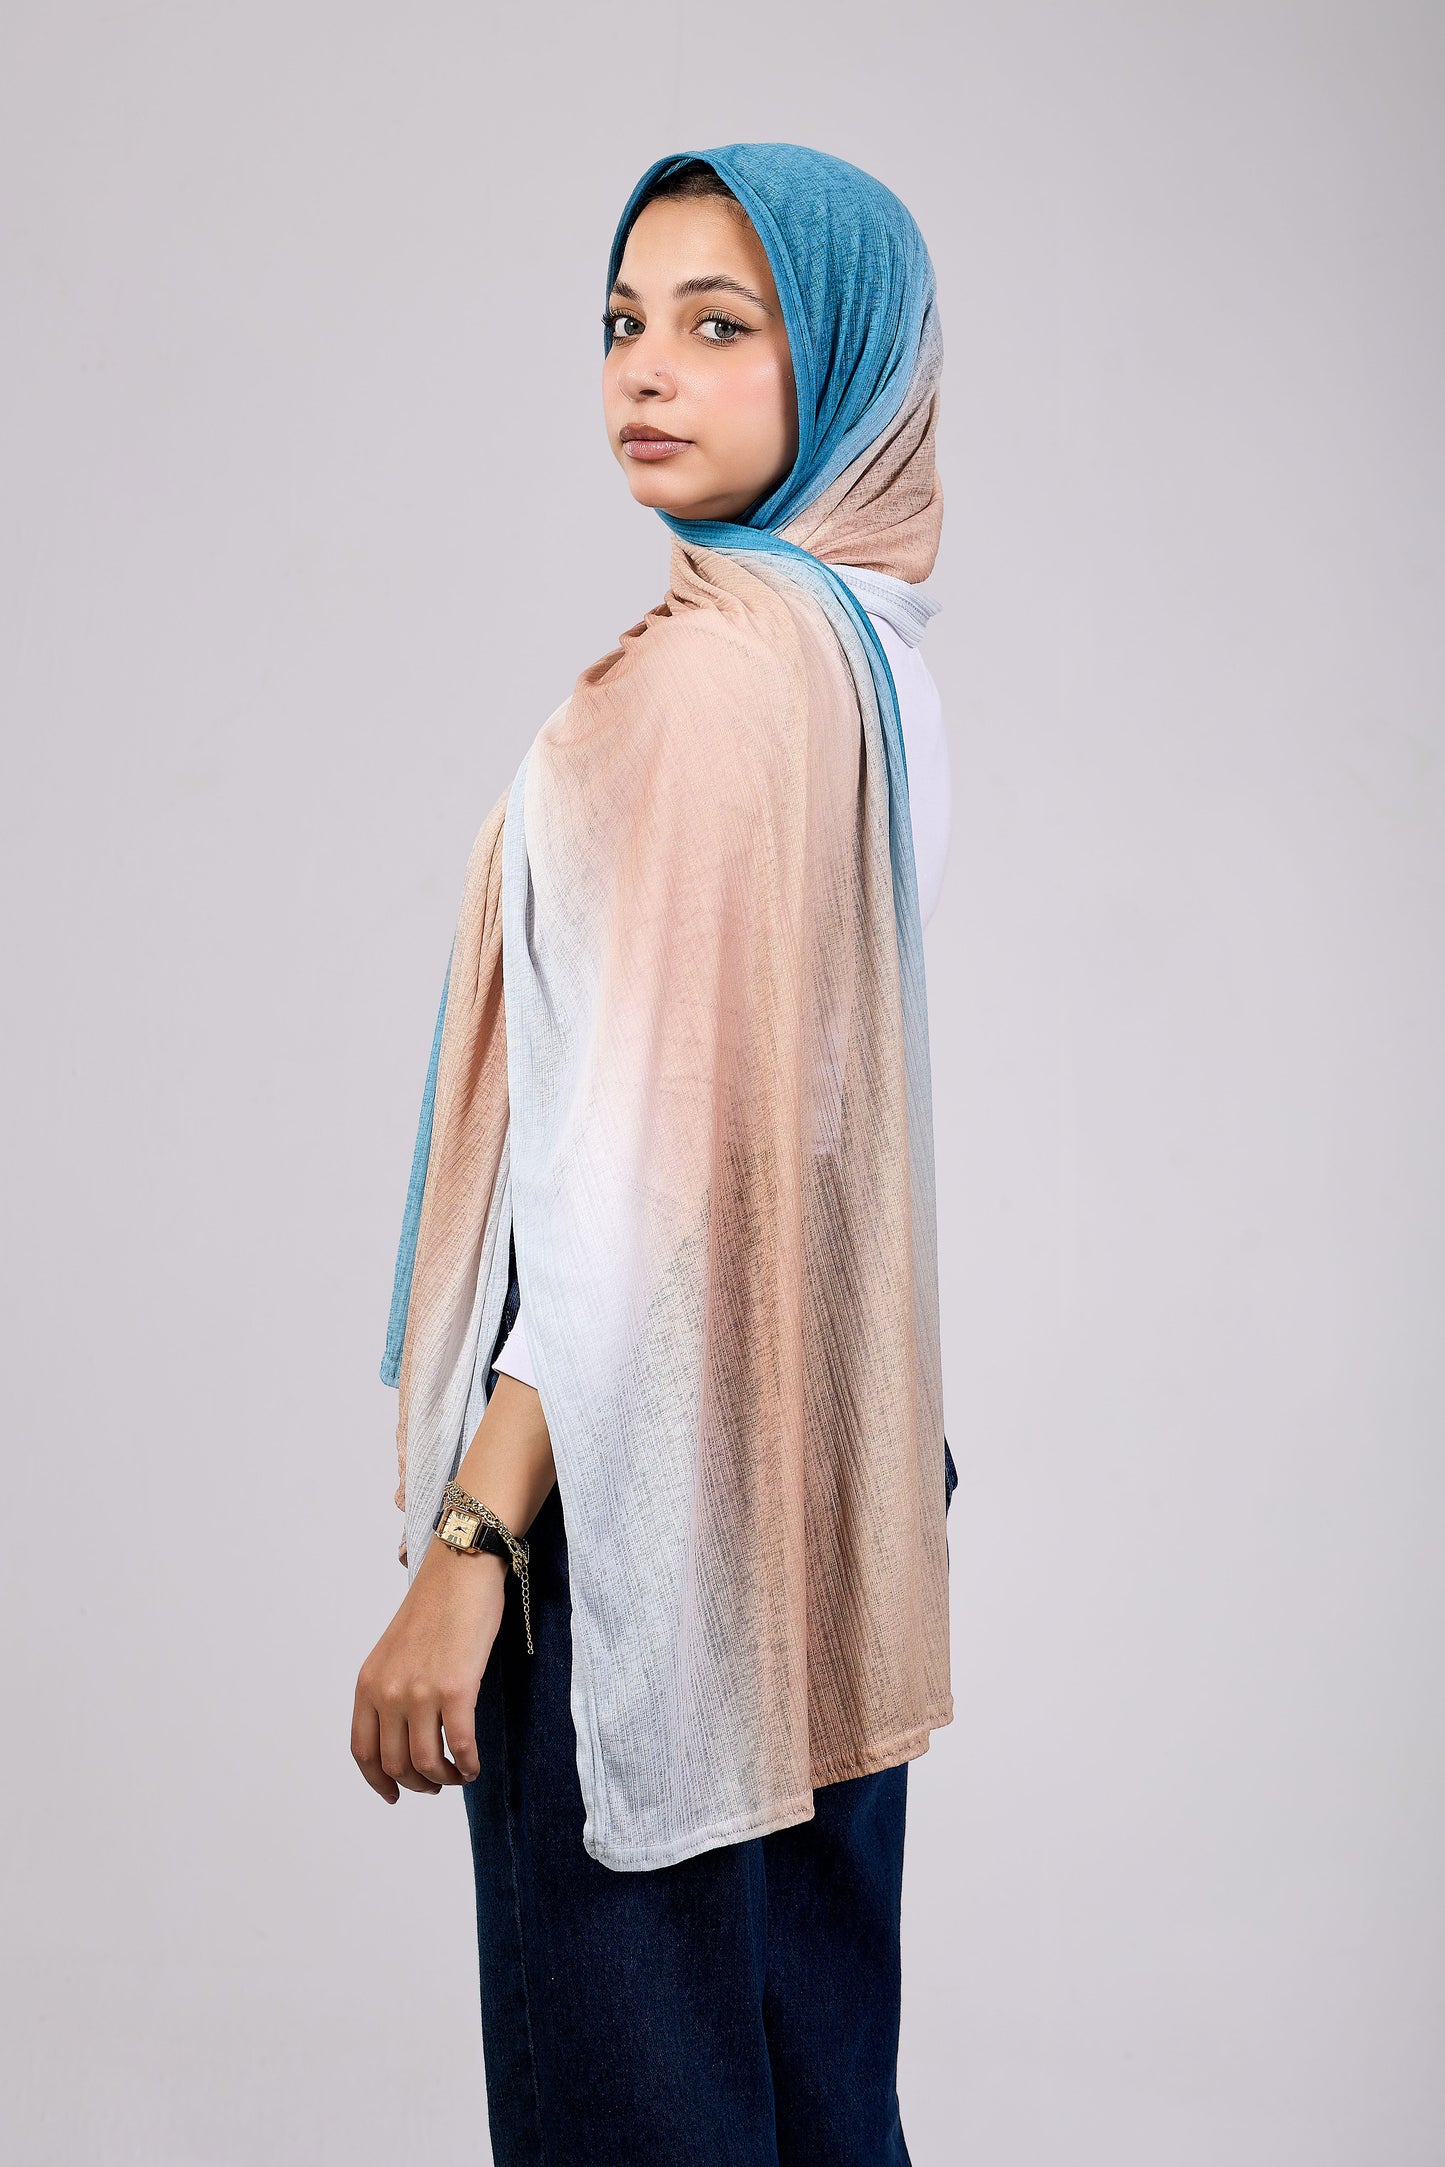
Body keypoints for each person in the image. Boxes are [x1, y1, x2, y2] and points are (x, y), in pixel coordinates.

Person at [352, 142, 959, 2166]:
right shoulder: (869, 657)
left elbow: (646, 1172)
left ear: (842, 357)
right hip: (829, 1473)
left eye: (720, 323)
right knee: (808, 2099)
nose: (647, 367)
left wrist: (474, 1543)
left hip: (645, 1504)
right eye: (624, 320)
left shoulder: (704, 680)